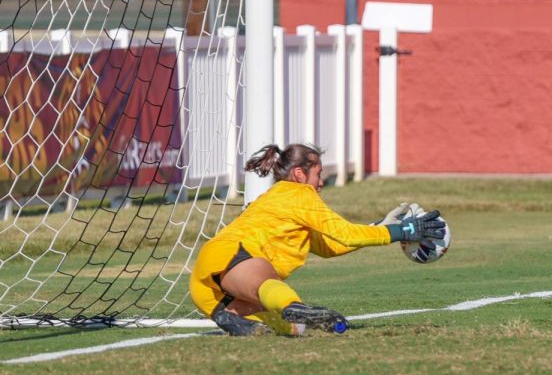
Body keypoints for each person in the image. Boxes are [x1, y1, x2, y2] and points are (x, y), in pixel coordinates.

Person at [189, 143, 447, 336]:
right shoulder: (300, 194)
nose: (321, 182)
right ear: (300, 174)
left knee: (294, 329)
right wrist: (401, 232)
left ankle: (235, 318)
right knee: (274, 290)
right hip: (233, 256)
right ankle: (293, 306)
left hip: (207, 290)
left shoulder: (279, 198)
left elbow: (330, 246)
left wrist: (379, 227)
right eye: (318, 173)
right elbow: (345, 233)